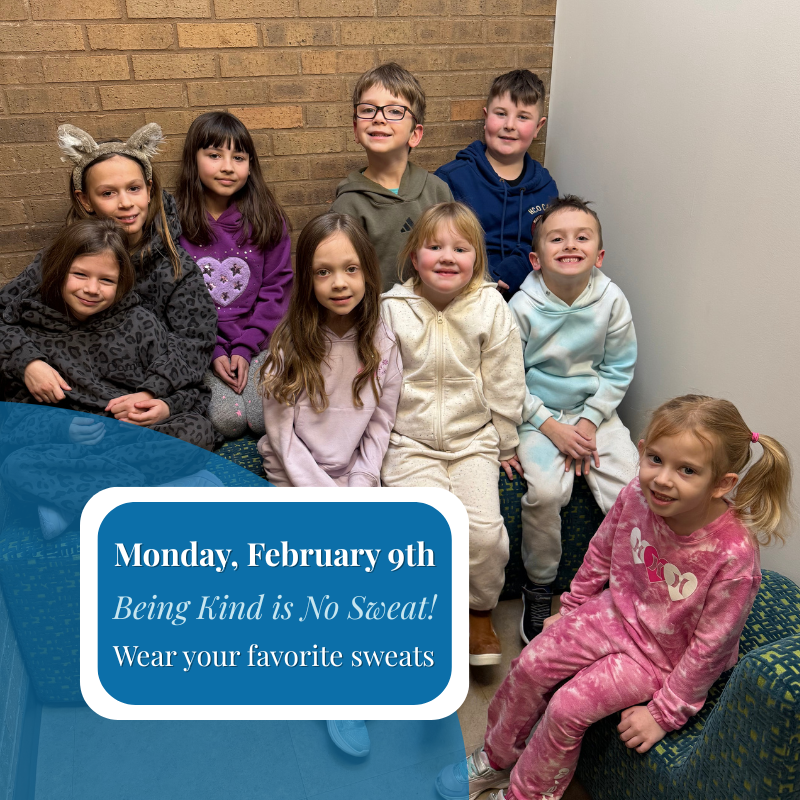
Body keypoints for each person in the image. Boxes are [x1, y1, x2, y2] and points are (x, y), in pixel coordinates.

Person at [434, 394, 791, 800]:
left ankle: (527, 794)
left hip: (661, 657)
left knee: (568, 708)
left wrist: (664, 713)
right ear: (641, 451)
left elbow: (712, 647)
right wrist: (570, 608)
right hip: (612, 615)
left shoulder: (733, 554)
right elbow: (601, 552)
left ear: (722, 484)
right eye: (655, 459)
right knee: (531, 663)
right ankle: (496, 760)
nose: (662, 479)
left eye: (687, 470)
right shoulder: (636, 496)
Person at [258, 212, 403, 760]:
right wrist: (324, 496)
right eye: (323, 273)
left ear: (368, 273)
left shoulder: (384, 344)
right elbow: (281, 437)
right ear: (307, 278)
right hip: (295, 478)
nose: (338, 284)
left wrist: (361, 486)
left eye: (349, 270)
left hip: (351, 480)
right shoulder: (289, 346)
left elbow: (381, 426)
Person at [0, 219, 220, 537]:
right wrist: (64, 429)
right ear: (58, 271)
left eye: (106, 280)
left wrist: (164, 408)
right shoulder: (31, 334)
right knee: (15, 467)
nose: (92, 289)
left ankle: (70, 504)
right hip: (68, 452)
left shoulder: (139, 323)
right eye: (80, 275)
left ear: (122, 283)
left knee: (197, 431)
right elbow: (16, 421)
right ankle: (162, 496)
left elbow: (195, 393)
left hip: (132, 440)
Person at [380, 202, 526, 666]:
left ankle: (477, 613)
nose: (447, 256)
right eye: (434, 246)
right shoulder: (391, 310)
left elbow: (505, 380)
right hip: (409, 444)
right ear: (413, 254)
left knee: (483, 535)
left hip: (472, 443)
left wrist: (505, 441)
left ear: (477, 258)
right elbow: (376, 382)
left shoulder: (490, 308)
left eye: (460, 248)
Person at [0, 122, 217, 427]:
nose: (125, 203)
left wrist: (153, 393)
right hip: (73, 398)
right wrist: (28, 362)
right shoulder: (60, 259)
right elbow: (3, 314)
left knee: (201, 427)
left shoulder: (176, 268)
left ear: (149, 189)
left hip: (143, 391)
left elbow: (195, 340)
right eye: (108, 193)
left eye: (134, 188)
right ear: (85, 200)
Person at [508, 195, 639, 642]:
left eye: (582, 237)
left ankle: (626, 583)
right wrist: (550, 427)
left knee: (631, 490)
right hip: (538, 418)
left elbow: (619, 368)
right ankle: (540, 585)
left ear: (598, 254)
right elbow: (509, 378)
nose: (570, 245)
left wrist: (587, 423)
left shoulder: (612, 301)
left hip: (596, 415)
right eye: (556, 238)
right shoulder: (521, 308)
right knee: (545, 493)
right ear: (536, 257)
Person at [176, 111, 293, 439]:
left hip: (259, 342)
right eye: (214, 155)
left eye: (238, 157)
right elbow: (175, 301)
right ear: (193, 160)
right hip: (201, 346)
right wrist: (213, 351)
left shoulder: (268, 218)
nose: (227, 166)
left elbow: (277, 288)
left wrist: (245, 348)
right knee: (229, 421)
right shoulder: (175, 223)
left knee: (260, 419)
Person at [329, 62, 453, 291]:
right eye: (368, 109)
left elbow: (458, 251)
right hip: (377, 319)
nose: (379, 118)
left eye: (395, 111)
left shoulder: (438, 190)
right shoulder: (348, 204)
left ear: (415, 134)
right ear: (356, 129)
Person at [435, 70, 558, 297]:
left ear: (539, 127)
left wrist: (521, 267)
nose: (509, 125)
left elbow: (551, 244)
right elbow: (434, 245)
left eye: (523, 117)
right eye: (501, 113)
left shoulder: (546, 188)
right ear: (485, 117)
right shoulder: (450, 179)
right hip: (465, 296)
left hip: (529, 300)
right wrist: (483, 277)